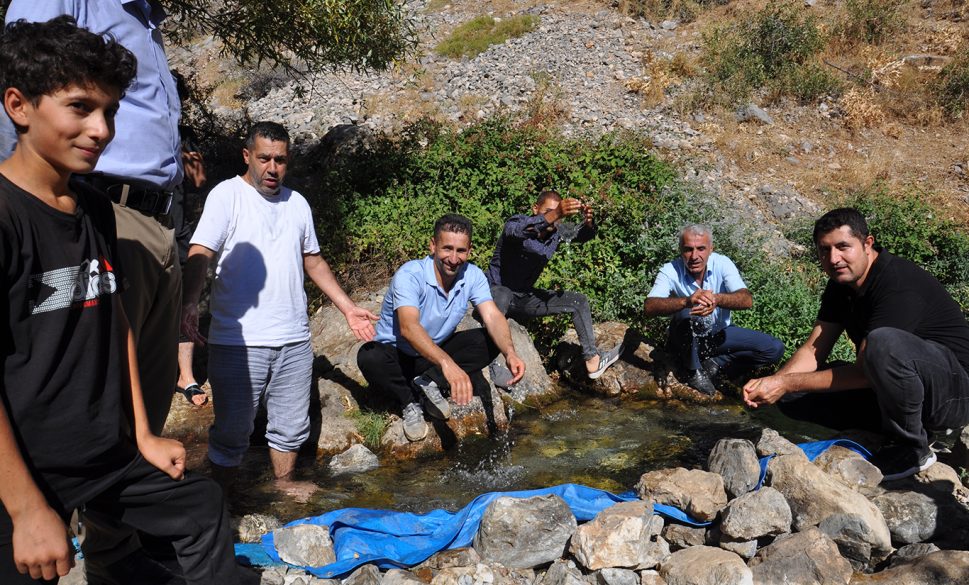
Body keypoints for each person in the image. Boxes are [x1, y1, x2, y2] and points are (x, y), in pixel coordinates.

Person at [0, 16, 248, 584]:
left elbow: (118, 325)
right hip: (26, 470)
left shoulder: (93, 210)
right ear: (19, 105)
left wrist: (142, 435)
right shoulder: (8, 217)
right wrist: (25, 509)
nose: (102, 129)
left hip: (106, 455)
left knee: (202, 507)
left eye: (110, 111)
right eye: (80, 108)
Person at [181, 121, 378, 498]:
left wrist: (348, 308)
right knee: (233, 430)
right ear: (247, 156)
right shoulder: (227, 196)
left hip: (294, 340)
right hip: (240, 342)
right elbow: (201, 251)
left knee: (289, 427)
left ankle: (283, 488)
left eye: (281, 160)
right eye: (265, 158)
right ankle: (221, 502)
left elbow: (314, 261)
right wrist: (190, 301)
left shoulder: (297, 203)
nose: (273, 168)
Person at [743, 208, 969, 481]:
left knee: (882, 342)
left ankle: (913, 447)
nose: (833, 259)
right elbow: (815, 347)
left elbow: (864, 372)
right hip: (899, 388)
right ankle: (884, 433)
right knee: (793, 395)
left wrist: (787, 383)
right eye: (825, 250)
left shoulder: (896, 283)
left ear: (867, 243)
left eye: (843, 247)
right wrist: (774, 384)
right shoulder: (841, 285)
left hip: (953, 393)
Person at [358, 214, 526, 442]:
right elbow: (409, 327)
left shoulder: (473, 275)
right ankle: (409, 401)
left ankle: (428, 380)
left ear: (470, 251)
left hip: (432, 354)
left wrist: (510, 352)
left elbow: (493, 316)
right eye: (447, 249)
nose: (454, 258)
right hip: (397, 356)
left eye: (461, 251)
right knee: (369, 356)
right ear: (433, 245)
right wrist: (447, 364)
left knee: (489, 341)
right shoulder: (410, 275)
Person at [486, 190, 622, 381]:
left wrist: (588, 224)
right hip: (495, 293)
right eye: (548, 211)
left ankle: (592, 359)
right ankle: (489, 365)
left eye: (558, 213)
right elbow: (514, 232)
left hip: (523, 298)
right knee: (502, 295)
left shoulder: (555, 233)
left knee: (578, 301)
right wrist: (556, 213)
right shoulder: (517, 222)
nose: (553, 219)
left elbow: (582, 236)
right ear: (535, 208)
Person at [645, 224, 784, 395]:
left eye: (701, 249)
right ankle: (692, 370)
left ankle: (715, 364)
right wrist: (686, 301)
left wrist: (717, 299)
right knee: (684, 313)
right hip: (683, 340)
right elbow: (649, 306)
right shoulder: (670, 270)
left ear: (711, 249)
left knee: (774, 348)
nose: (694, 256)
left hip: (718, 336)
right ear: (680, 250)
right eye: (688, 249)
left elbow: (746, 299)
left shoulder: (722, 263)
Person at [174, 126, 209, 407]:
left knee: (185, 298)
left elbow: (199, 179)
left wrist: (184, 152)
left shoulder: (180, 135)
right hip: (137, 226)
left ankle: (186, 375)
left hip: (177, 228)